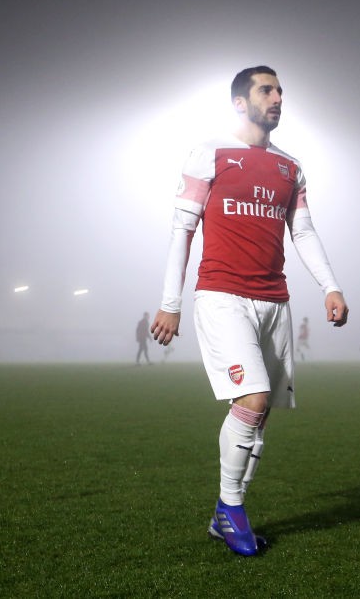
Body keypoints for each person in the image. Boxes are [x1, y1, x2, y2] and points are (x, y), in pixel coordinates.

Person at [149, 66, 349, 557]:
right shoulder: (209, 153)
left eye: (280, 90)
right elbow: (182, 230)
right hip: (222, 295)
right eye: (267, 90)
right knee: (254, 398)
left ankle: (224, 512)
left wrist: (331, 286)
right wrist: (169, 304)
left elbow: (302, 231)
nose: (278, 97)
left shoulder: (290, 167)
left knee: (260, 416)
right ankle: (232, 509)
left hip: (274, 301)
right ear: (241, 102)